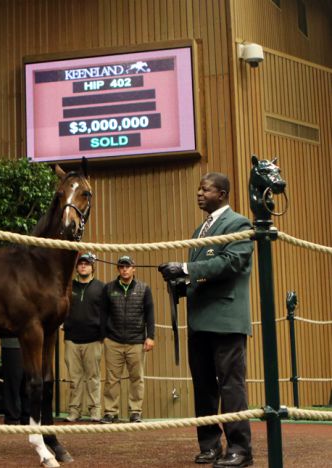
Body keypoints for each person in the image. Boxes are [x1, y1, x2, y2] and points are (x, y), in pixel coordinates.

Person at [158, 172, 254, 468]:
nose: (199, 193)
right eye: (199, 189)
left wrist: (185, 267)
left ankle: (240, 448)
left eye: (206, 189)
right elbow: (202, 275)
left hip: (226, 320)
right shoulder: (200, 230)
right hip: (199, 321)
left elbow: (230, 264)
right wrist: (180, 284)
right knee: (203, 386)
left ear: (222, 193)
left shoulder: (239, 224)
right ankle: (210, 445)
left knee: (230, 385)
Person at [101, 255, 155, 424]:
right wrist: (104, 336)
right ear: (118, 269)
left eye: (127, 266)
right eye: (121, 266)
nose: (124, 269)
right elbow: (103, 313)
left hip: (136, 341)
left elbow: (150, 314)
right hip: (113, 341)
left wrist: (150, 337)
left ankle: (135, 412)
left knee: (137, 379)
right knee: (111, 379)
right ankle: (110, 412)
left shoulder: (144, 289)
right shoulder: (109, 288)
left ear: (134, 268)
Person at [63, 252, 105, 422]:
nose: (83, 266)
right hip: (71, 339)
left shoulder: (101, 288)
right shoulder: (69, 287)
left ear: (92, 267)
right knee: (74, 379)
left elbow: (105, 313)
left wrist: (102, 335)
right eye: (80, 264)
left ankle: (95, 411)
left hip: (93, 339)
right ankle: (74, 411)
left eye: (86, 264)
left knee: (93, 378)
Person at [0, 337, 29, 425]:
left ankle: (25, 416)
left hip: (29, 344)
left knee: (26, 382)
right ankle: (13, 417)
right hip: (13, 343)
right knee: (13, 382)